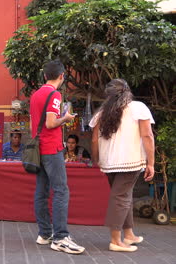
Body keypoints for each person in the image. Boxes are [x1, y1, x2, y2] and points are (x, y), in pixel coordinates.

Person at [89, 79, 154, 252]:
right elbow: (147, 135)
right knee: (121, 198)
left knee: (123, 196)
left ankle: (129, 234)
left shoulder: (102, 113)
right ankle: (116, 241)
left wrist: (97, 160)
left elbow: (94, 140)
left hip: (109, 163)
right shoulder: (138, 107)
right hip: (130, 161)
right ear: (127, 91)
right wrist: (151, 163)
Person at [29, 60, 85, 254]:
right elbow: (52, 123)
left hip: (39, 149)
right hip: (52, 149)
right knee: (61, 191)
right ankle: (60, 237)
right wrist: (67, 119)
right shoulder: (55, 94)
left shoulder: (35, 95)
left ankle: (44, 234)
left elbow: (33, 125)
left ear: (45, 76)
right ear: (61, 76)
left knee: (41, 192)